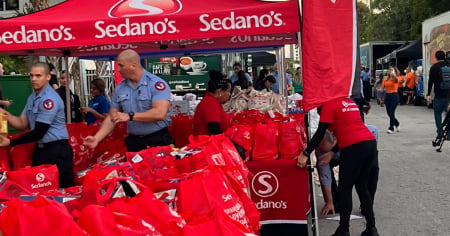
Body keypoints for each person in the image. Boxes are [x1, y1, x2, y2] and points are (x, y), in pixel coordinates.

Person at [297, 97, 378, 236]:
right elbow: (349, 129)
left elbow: (320, 132)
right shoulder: (349, 102)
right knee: (362, 187)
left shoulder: (328, 106)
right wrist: (332, 153)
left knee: (345, 189)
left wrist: (305, 153)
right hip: (370, 144)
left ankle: (343, 230)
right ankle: (371, 228)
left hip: (354, 148)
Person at [0, 62, 74, 188]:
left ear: (48, 77)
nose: (33, 79)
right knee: (39, 192)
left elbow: (39, 131)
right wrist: (3, 112)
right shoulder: (32, 97)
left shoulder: (49, 99)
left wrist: (11, 143)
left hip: (57, 150)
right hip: (40, 150)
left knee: (61, 192)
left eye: (38, 76)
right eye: (31, 75)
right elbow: (22, 124)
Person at [83, 49, 172, 152]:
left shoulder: (155, 84)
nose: (118, 70)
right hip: (134, 141)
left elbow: (160, 113)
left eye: (121, 65)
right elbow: (112, 117)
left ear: (133, 66)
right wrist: (96, 139)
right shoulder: (120, 88)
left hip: (157, 139)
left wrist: (130, 116)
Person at [193, 70, 231, 136]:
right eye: (228, 91)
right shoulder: (210, 103)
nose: (229, 94)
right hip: (208, 143)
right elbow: (214, 128)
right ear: (220, 91)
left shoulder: (212, 101)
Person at [426, 50, 450, 135]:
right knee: (449, 114)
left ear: (436, 58)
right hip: (448, 96)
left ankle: (440, 131)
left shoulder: (434, 68)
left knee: (437, 114)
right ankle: (448, 133)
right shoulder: (448, 66)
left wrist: (428, 94)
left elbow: (430, 82)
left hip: (438, 96)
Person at [382, 67, 400, 134]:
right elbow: (382, 88)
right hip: (388, 95)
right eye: (389, 70)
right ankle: (397, 123)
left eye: (392, 70)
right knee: (389, 113)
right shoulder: (386, 79)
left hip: (394, 95)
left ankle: (391, 128)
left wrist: (394, 74)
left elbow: (396, 80)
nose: (390, 71)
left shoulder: (396, 78)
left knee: (392, 111)